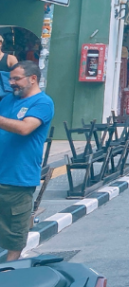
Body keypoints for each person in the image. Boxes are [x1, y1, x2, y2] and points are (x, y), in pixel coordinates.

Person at [0, 62, 54, 261]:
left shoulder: (43, 103)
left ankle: (7, 273)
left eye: (16, 79)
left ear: (33, 78)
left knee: (14, 235)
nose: (11, 83)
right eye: (10, 79)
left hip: (17, 179)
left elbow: (24, 128)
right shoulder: (7, 101)